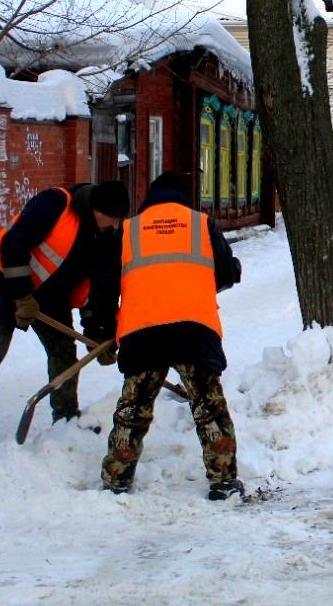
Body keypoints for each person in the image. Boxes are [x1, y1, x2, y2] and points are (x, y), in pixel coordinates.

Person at [97, 172, 244, 501]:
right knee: (209, 406)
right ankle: (223, 481)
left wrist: (103, 331)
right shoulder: (201, 224)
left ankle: (116, 480)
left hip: (142, 332)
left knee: (133, 409)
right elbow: (225, 272)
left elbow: (105, 287)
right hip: (193, 330)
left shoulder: (129, 229)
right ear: (184, 197)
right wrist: (224, 270)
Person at [0, 181, 130, 448]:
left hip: (50, 298)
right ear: (96, 209)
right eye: (112, 218)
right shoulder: (54, 204)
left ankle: (65, 417)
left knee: (63, 350)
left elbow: (104, 288)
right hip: (3, 285)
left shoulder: (109, 236)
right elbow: (13, 244)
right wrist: (21, 296)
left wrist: (101, 334)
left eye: (120, 220)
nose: (115, 225)